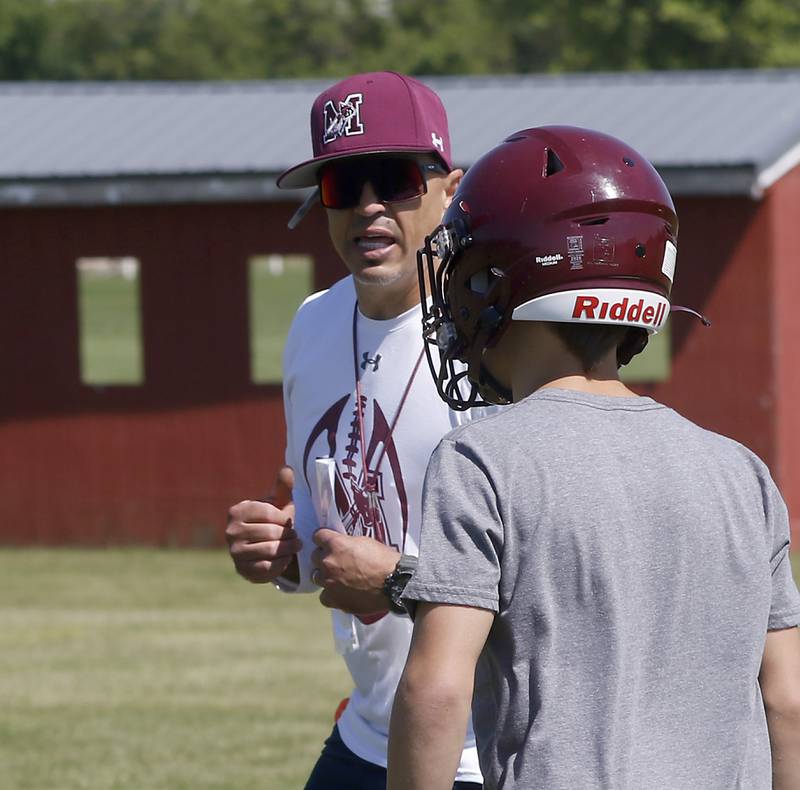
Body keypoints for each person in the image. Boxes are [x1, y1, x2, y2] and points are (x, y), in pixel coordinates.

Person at [387, 126, 800, 790]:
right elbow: (787, 700)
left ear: (496, 281)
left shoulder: (480, 461)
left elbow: (435, 691)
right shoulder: (741, 473)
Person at [225, 71, 486, 789]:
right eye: (343, 186)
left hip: (482, 752)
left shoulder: (495, 338)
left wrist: (398, 583)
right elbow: (324, 519)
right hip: (369, 732)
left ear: (449, 188)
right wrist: (284, 550)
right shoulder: (312, 323)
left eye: (394, 179)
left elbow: (552, 574)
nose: (368, 207)